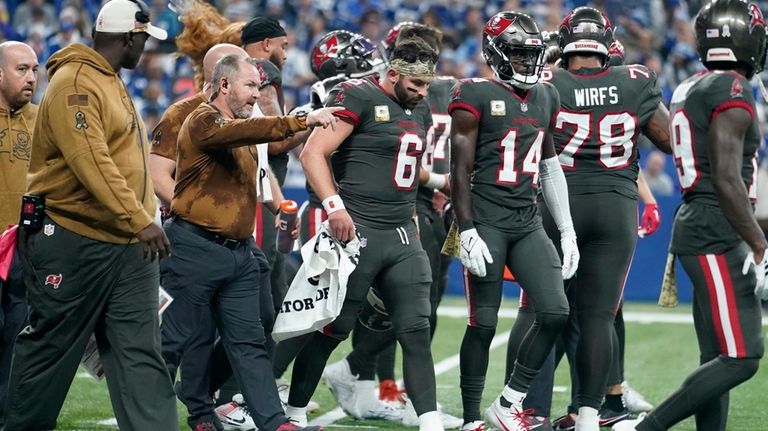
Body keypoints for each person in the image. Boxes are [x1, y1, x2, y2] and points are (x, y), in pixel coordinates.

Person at [2, 1, 179, 430]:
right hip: (74, 237)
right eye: (143, 41)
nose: (146, 51)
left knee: (140, 351)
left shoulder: (110, 80)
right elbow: (90, 160)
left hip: (124, 244)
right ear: (126, 38)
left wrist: (141, 216)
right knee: (51, 347)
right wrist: (140, 219)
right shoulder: (74, 82)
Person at [161, 53, 338, 431]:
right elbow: (243, 133)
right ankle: (150, 418)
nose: (258, 95)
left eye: (259, 87)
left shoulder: (243, 127)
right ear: (223, 85)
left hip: (237, 251)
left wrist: (280, 207)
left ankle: (273, 423)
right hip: (192, 246)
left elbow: (260, 170)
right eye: (251, 86)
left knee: (250, 341)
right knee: (173, 342)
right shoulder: (203, 120)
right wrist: (304, 119)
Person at [614, 0, 767, 429]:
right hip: (717, 225)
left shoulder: (692, 86)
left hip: (704, 220)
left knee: (716, 354)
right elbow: (726, 177)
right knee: (742, 357)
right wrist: (759, 244)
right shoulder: (730, 89)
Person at [517, 7, 671, 431]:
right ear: (606, 41)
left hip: (557, 203)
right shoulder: (634, 80)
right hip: (615, 207)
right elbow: (669, 141)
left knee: (539, 310)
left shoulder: (547, 81)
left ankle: (529, 413)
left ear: (565, 40)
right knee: (599, 316)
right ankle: (590, 414)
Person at [287, 37, 445, 431]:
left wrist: (412, 210)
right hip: (357, 231)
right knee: (332, 328)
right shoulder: (357, 95)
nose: (423, 93)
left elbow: (402, 172)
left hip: (401, 235)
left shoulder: (420, 108)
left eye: (427, 85)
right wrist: (335, 207)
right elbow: (312, 152)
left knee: (416, 329)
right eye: (415, 84)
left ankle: (429, 422)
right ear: (392, 73)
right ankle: (292, 412)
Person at [449, 12, 578, 431]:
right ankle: (471, 419)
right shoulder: (474, 92)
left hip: (525, 220)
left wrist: (567, 229)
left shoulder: (546, 95)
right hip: (485, 218)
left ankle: (508, 402)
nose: (528, 63)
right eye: (519, 55)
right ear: (497, 54)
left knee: (556, 310)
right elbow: (459, 168)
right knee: (483, 323)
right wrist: (465, 228)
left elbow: (549, 166)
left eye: (532, 55)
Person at [0, 40, 38, 426]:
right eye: (21, 69)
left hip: (26, 248)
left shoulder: (43, 120)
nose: (31, 78)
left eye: (34, 70)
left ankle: (8, 415)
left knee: (17, 335)